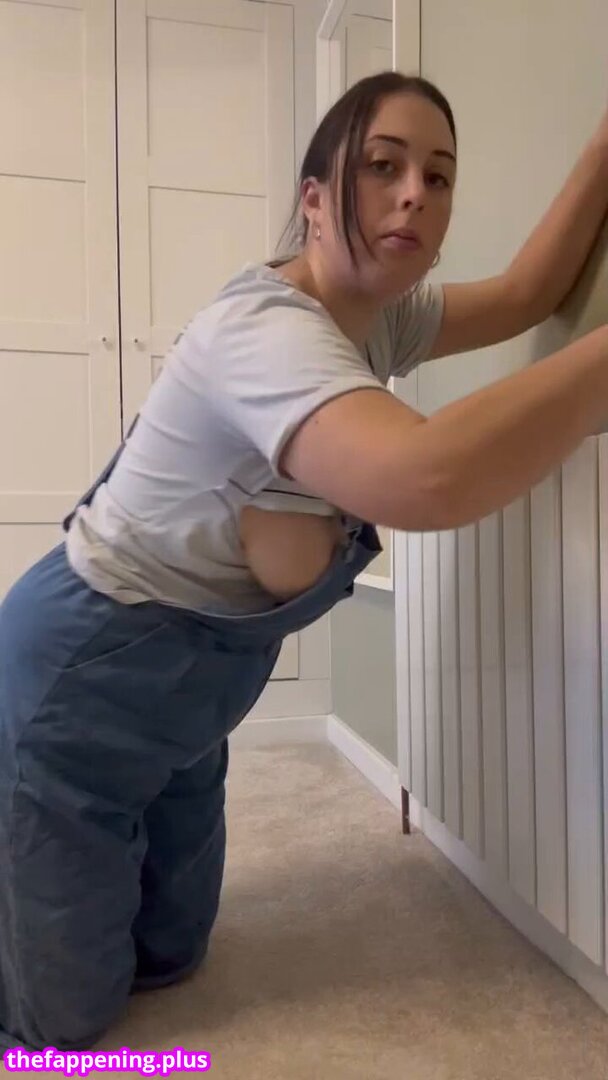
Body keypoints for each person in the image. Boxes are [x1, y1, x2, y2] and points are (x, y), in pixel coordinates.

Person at [1, 69, 608, 1055]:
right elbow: (422, 478)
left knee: (170, 956)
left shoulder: (377, 320)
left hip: (190, 700)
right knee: (59, 1025)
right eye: (382, 167)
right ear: (314, 200)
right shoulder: (265, 331)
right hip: (86, 672)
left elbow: (527, 294)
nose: (414, 194)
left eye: (438, 176)